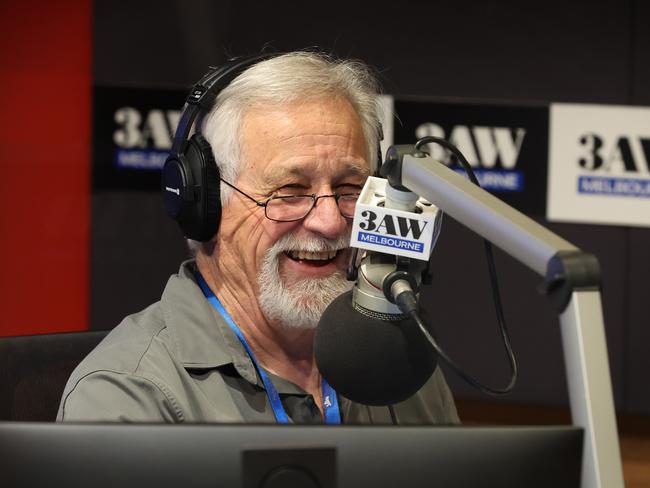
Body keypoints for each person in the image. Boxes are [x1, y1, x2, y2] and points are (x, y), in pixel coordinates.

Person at [57, 51, 459, 424]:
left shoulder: (403, 360)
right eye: (289, 190)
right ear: (206, 203)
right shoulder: (129, 398)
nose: (331, 222)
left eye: (350, 189)